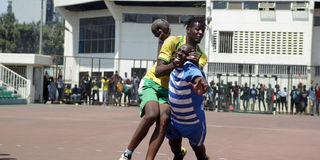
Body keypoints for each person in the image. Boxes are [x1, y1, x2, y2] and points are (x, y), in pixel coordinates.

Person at [120, 17, 207, 160]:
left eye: (202, 30)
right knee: (152, 114)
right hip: (152, 83)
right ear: (188, 30)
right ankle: (127, 154)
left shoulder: (201, 56)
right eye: (197, 29)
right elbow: (158, 70)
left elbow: (196, 75)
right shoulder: (173, 42)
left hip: (170, 92)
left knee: (164, 119)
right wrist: (176, 62)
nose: (200, 32)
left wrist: (197, 66)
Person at [166, 44, 210, 160]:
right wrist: (160, 41)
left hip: (193, 123)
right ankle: (178, 155)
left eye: (184, 53)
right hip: (175, 120)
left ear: (190, 56)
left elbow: (198, 78)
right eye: (179, 50)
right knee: (173, 144)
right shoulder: (172, 66)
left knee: (197, 148)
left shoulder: (190, 68)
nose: (180, 53)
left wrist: (203, 85)